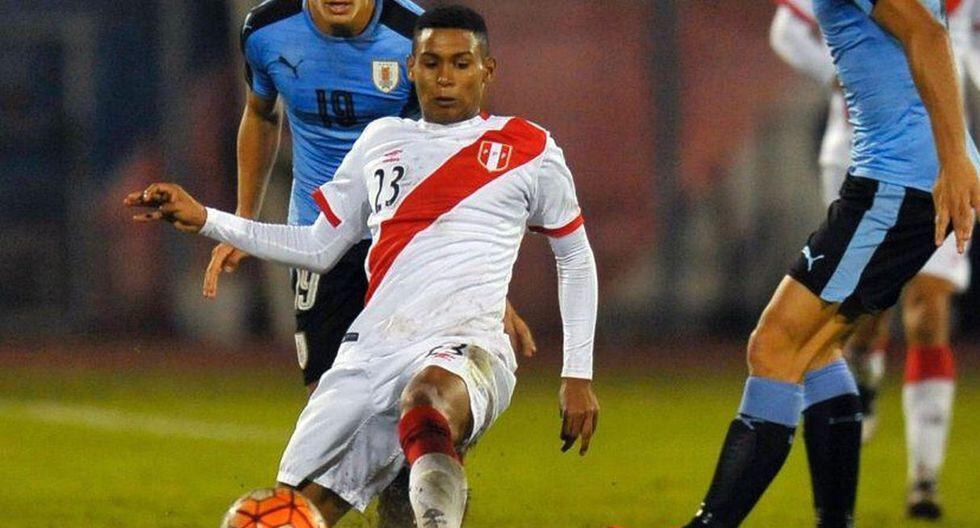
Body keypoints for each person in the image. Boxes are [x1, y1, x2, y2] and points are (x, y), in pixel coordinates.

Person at [126, 6, 600, 528]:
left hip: (466, 346)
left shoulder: (529, 147)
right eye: (431, 63)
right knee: (295, 508)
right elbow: (318, 246)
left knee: (427, 401)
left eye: (461, 63)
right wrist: (208, 219)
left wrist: (577, 374)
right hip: (371, 352)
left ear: (487, 70)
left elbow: (575, 256)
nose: (445, 78)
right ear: (411, 68)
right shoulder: (380, 142)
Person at [220, 2, 535, 522]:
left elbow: (460, 148)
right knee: (331, 399)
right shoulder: (265, 30)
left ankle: (419, 497)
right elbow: (260, 113)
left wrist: (483, 287)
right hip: (322, 238)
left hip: (407, 239)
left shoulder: (415, 35)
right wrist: (243, 216)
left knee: (425, 395)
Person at [684, 0, 980, 526]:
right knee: (818, 351)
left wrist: (954, 160)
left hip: (898, 183)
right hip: (891, 178)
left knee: (775, 346)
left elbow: (929, 35)